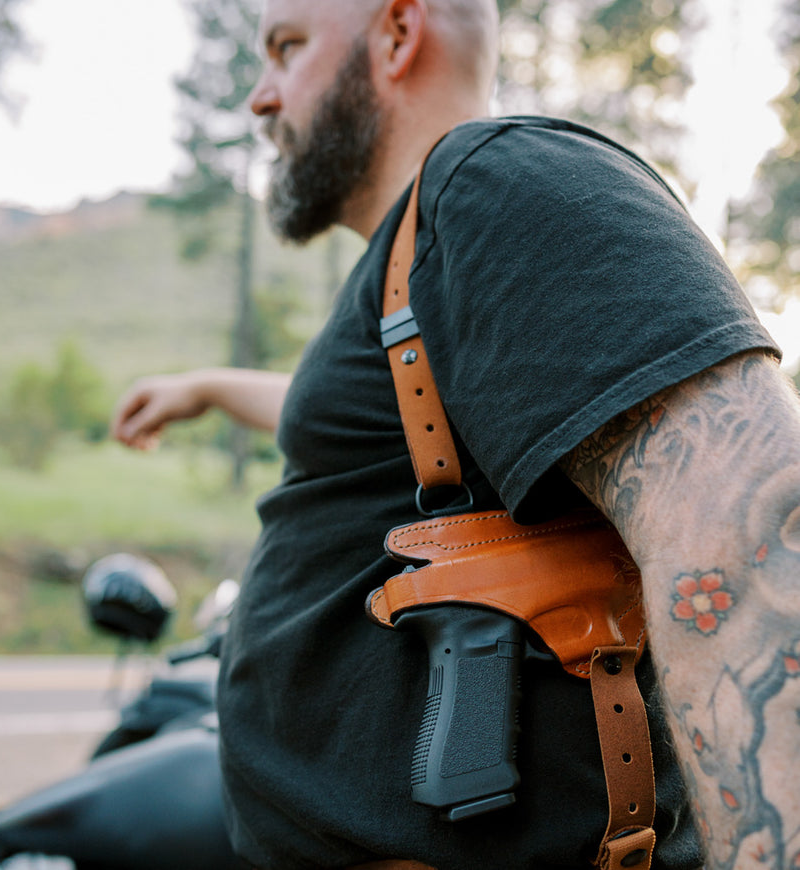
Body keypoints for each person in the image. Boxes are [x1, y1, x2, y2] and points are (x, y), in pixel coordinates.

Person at [111, 0, 800, 867]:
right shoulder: (423, 258)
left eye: (287, 48)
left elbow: (754, 524)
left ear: (398, 33)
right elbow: (366, 429)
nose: (259, 95)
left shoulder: (494, 181)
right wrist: (205, 388)